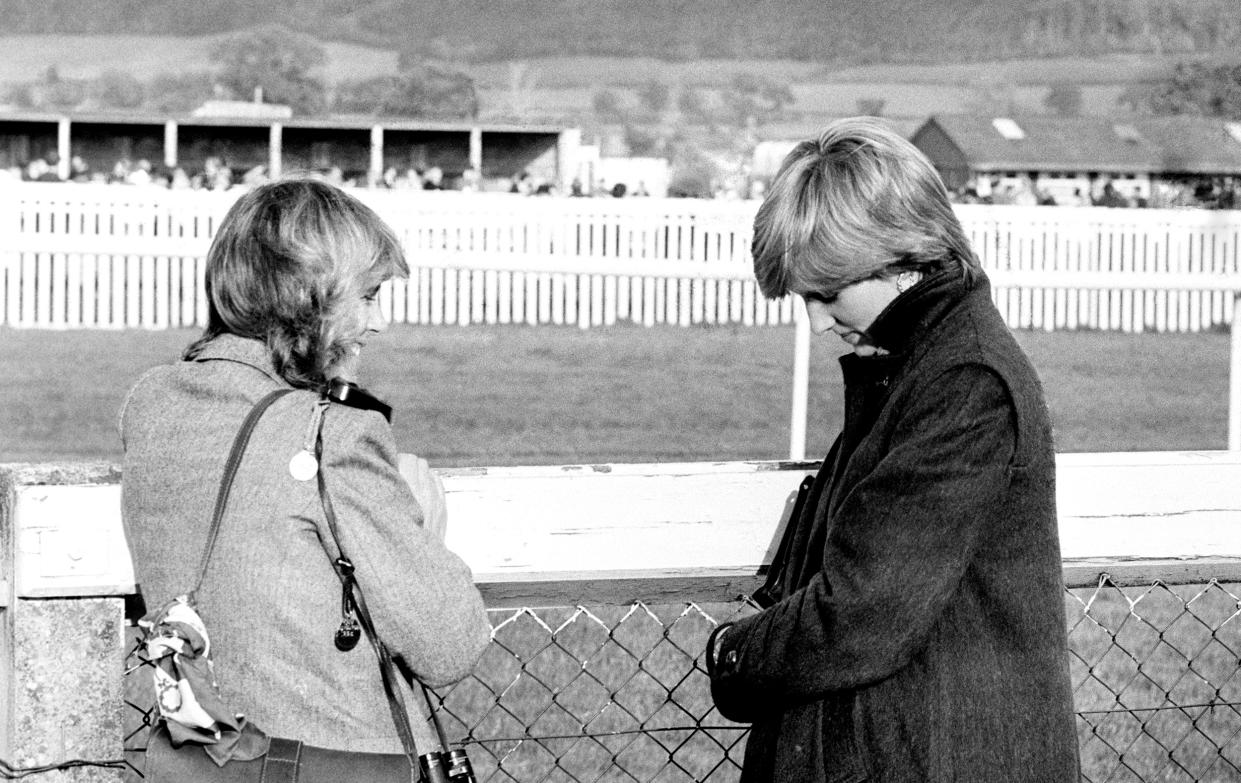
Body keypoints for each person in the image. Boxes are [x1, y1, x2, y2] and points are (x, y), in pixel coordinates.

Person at [705, 118, 1079, 782]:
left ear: (902, 255)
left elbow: (862, 614)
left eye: (827, 293)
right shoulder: (917, 365)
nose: (816, 322)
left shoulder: (964, 382)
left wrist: (733, 654)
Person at [120, 177, 491, 757]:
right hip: (333, 759)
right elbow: (449, 646)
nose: (380, 322)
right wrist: (420, 524)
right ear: (307, 297)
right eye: (367, 297)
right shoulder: (333, 435)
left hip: (204, 757)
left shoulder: (153, 404)